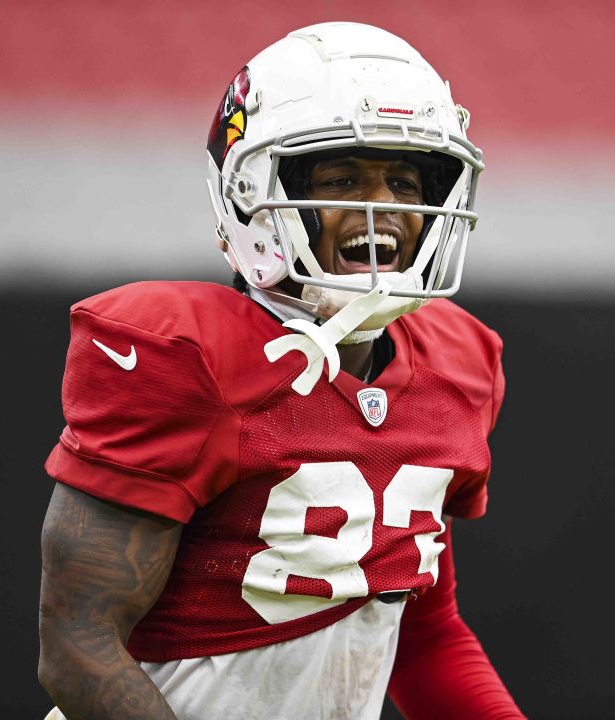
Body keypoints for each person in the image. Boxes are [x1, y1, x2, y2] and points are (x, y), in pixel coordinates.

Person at [37, 22, 524, 720]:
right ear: (250, 196)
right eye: (342, 177)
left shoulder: (457, 366)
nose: (380, 207)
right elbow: (77, 643)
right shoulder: (190, 357)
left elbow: (421, 635)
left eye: (404, 179)